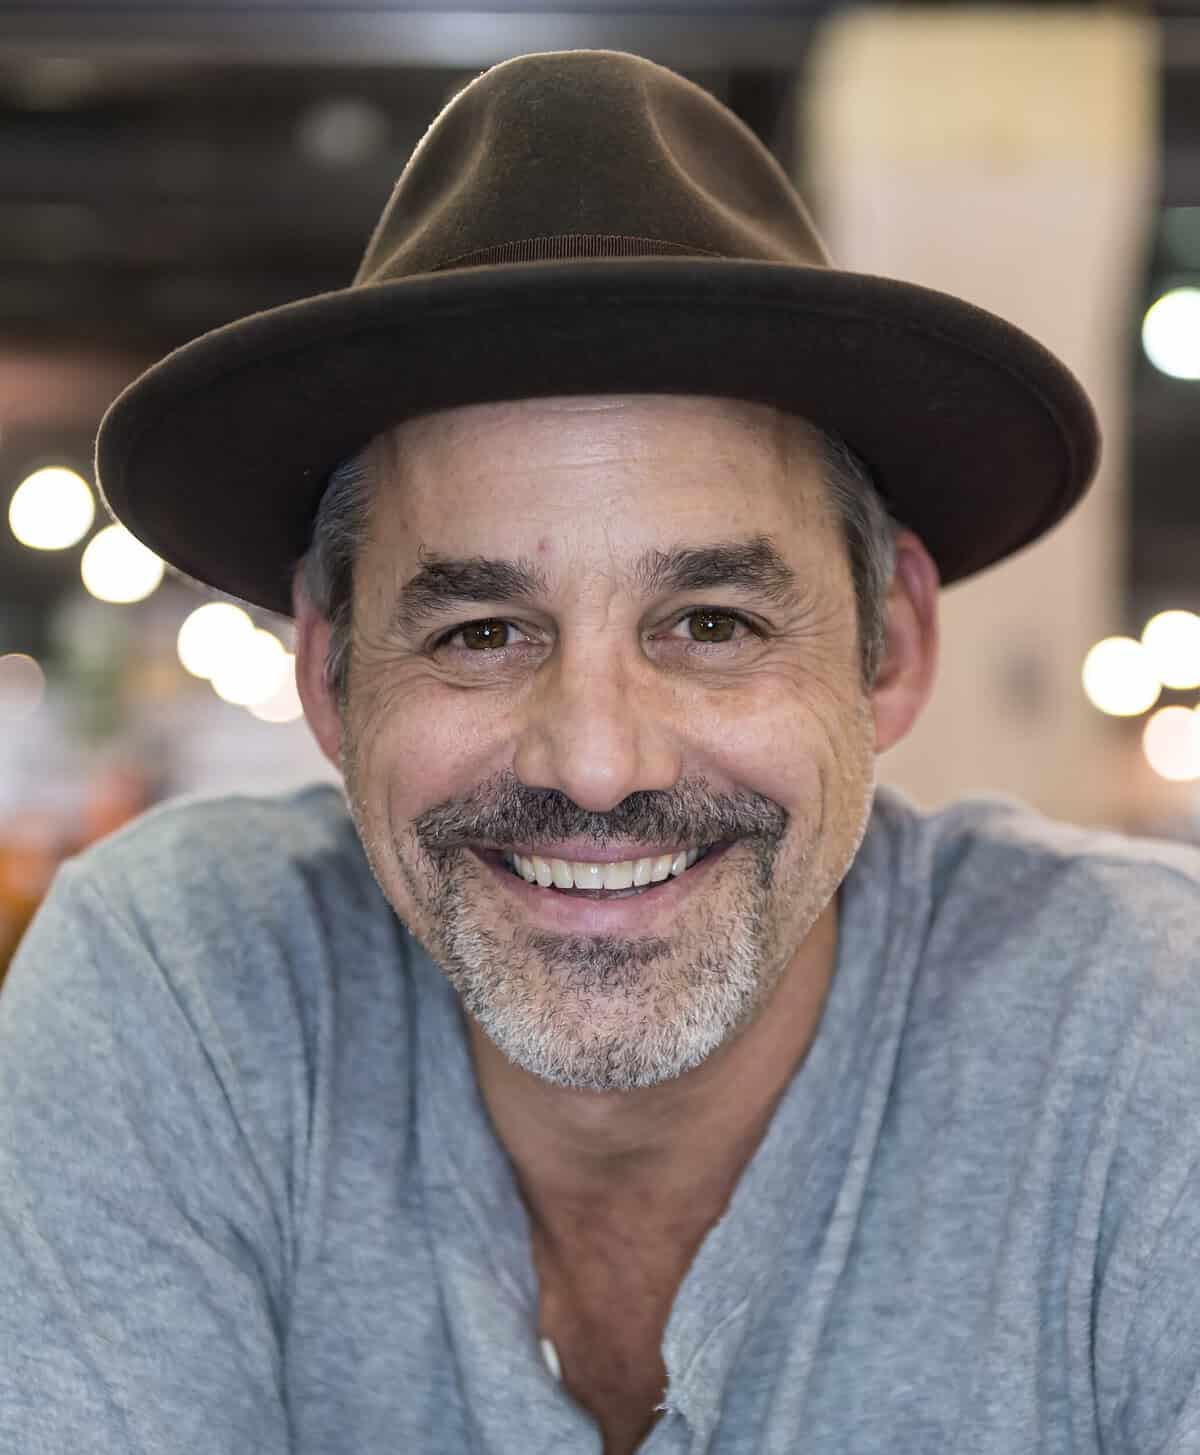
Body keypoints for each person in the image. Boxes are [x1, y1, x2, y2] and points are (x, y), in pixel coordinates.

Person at [1, 48, 1197, 1455]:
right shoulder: (190, 985)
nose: (594, 762)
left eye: (709, 619)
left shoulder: (1145, 1046)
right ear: (329, 674)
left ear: (887, 649)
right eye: (481, 632)